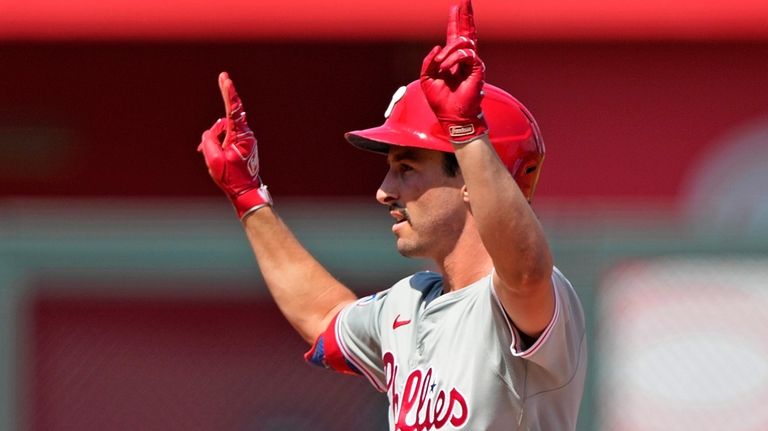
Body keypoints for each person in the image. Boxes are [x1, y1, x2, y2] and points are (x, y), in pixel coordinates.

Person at [197, 0, 586, 429]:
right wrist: (249, 197)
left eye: (406, 169)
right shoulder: (408, 302)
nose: (384, 191)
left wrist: (465, 132)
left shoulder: (521, 302)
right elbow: (324, 318)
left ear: (470, 182)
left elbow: (526, 273)